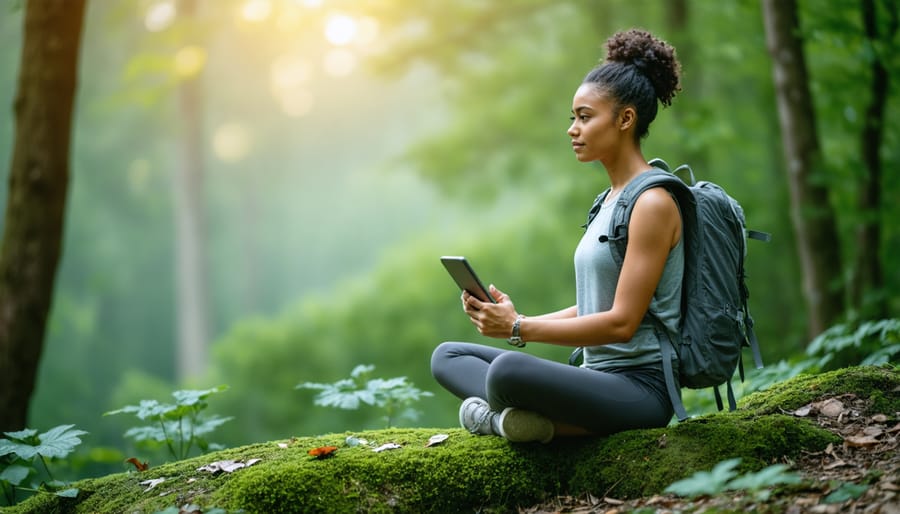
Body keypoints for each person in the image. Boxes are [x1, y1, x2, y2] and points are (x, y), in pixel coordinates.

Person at [430, 28, 684, 443]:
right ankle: (537, 426)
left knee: (509, 372)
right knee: (449, 356)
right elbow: (593, 305)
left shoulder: (653, 203)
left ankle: (502, 422)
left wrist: (521, 329)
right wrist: (514, 320)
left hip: (641, 391)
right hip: (593, 376)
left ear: (625, 119)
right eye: (573, 118)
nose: (573, 129)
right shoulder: (609, 200)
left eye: (585, 117)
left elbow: (621, 323)